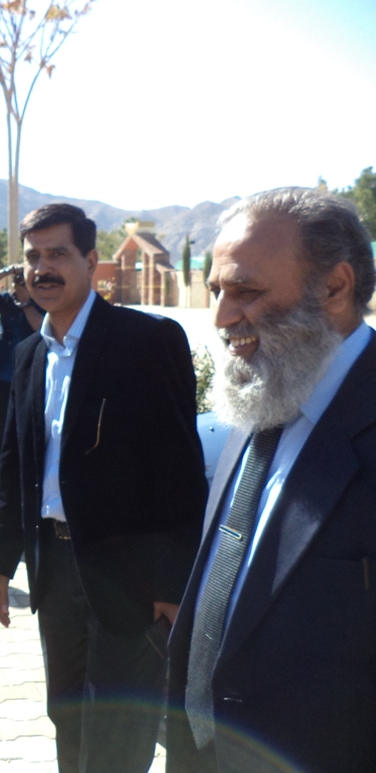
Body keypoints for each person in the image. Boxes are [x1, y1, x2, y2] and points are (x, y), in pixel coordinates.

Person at [0, 204, 207, 773]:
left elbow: (179, 470)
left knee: (118, 733)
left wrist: (171, 584)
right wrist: (0, 564)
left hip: (128, 578)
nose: (42, 268)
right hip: (54, 573)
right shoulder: (30, 354)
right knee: (67, 716)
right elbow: (16, 466)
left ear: (90, 260)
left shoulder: (146, 341)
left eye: (57, 254)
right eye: (32, 257)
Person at [165, 188, 376, 773]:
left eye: (246, 291)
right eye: (216, 291)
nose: (220, 317)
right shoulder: (262, 394)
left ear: (334, 287)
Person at [0, 264, 45, 467]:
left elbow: (39, 327)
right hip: (6, 375)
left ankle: (19, 462)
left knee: (28, 424)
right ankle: (3, 467)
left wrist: (26, 303)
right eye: (17, 281)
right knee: (4, 422)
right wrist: (7, 271)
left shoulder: (41, 303)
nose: (20, 285)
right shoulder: (6, 302)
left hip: (31, 375)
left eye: (24, 281)